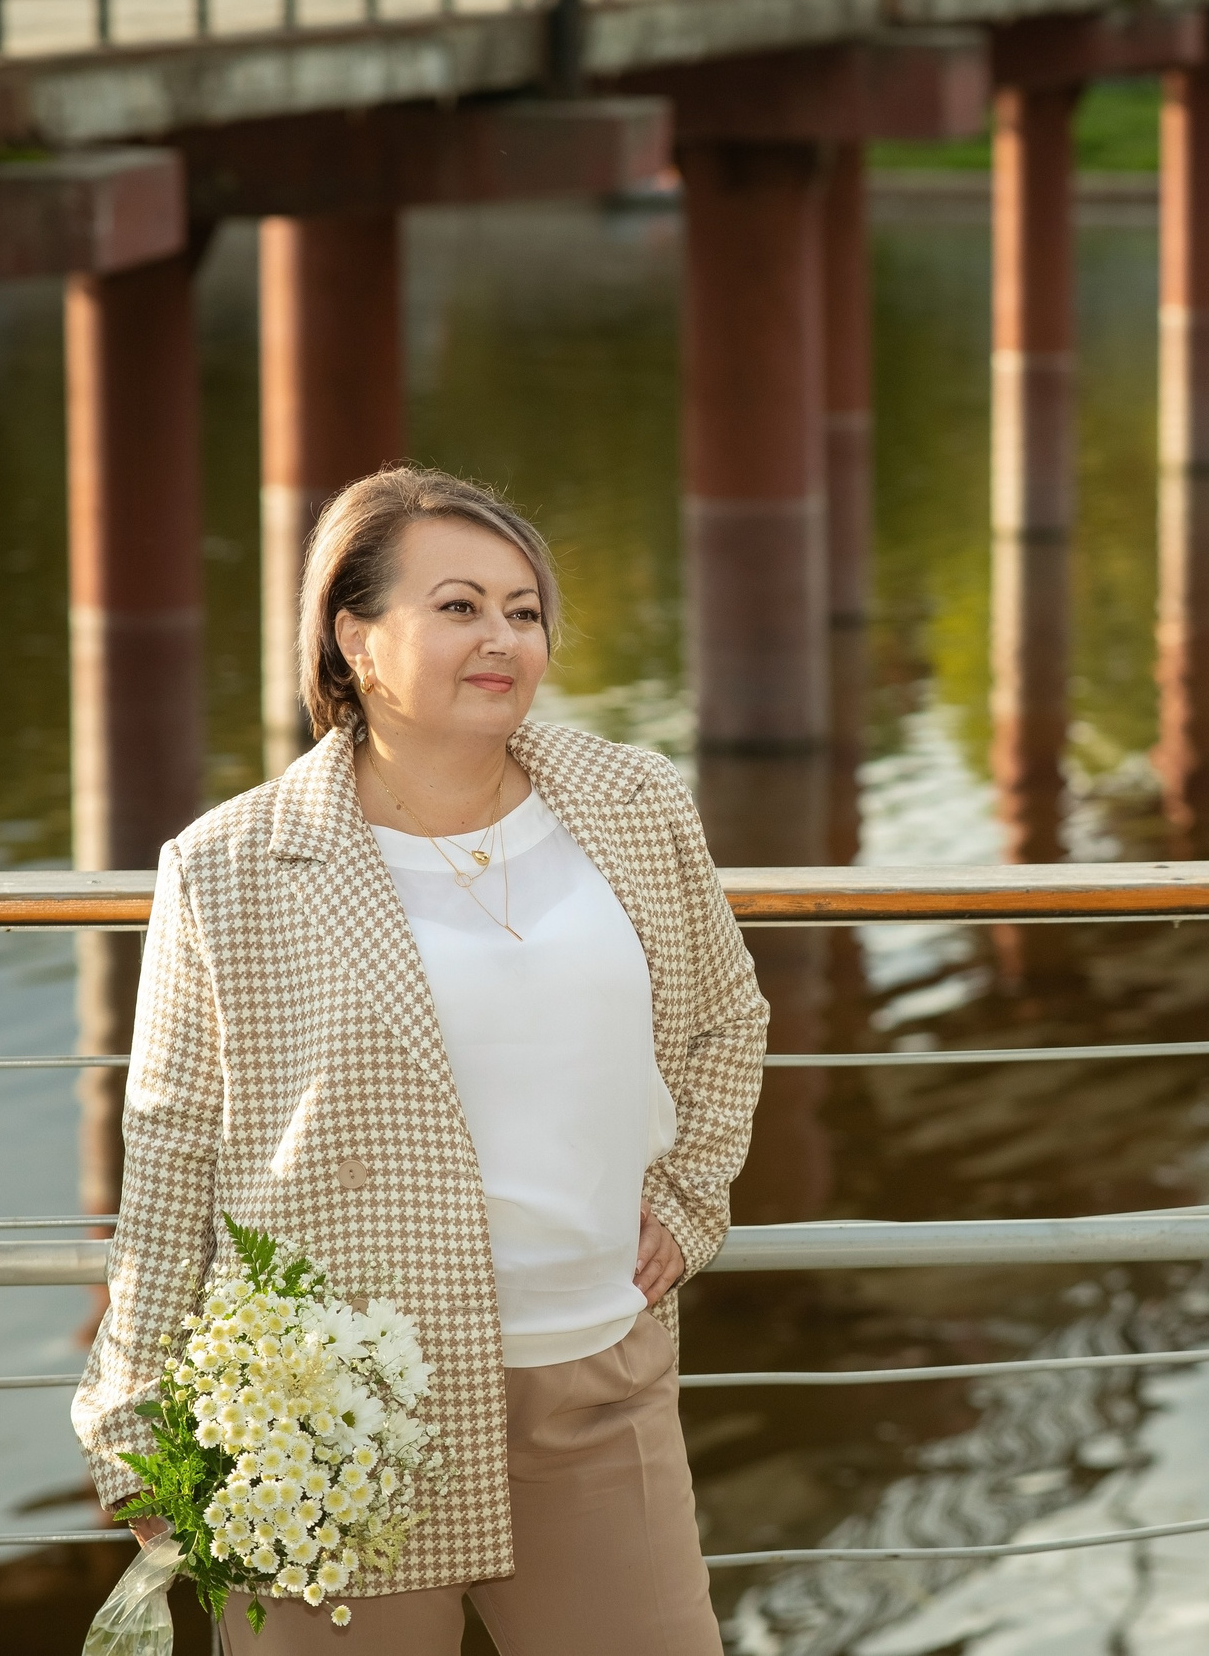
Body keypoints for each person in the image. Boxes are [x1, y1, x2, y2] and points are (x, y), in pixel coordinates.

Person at [71, 465, 769, 1653]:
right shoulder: (229, 866)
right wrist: (132, 1418)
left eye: (523, 610)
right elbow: (174, 1147)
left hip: (593, 1381)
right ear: (355, 640)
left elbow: (724, 1020)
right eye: (458, 607)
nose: (502, 637)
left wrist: (690, 1198)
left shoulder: (635, 801)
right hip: (334, 1419)